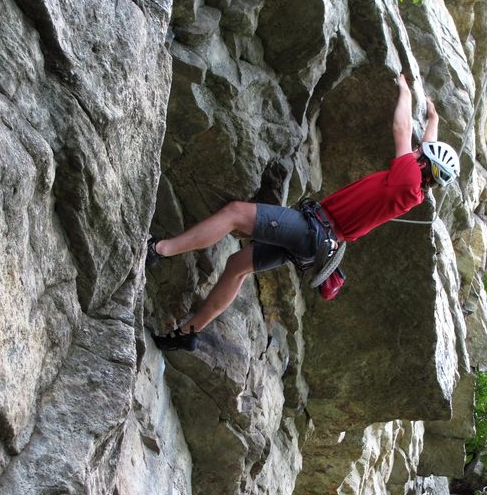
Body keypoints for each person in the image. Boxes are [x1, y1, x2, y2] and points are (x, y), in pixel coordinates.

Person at [147, 73, 460, 351]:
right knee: (237, 265)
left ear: (423, 164)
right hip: (318, 245)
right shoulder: (416, 191)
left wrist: (405, 90)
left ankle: (159, 249)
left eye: (421, 153)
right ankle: (188, 333)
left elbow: (402, 128)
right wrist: (433, 118)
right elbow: (426, 145)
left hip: (311, 228)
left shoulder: (408, 176)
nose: (417, 149)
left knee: (234, 214)